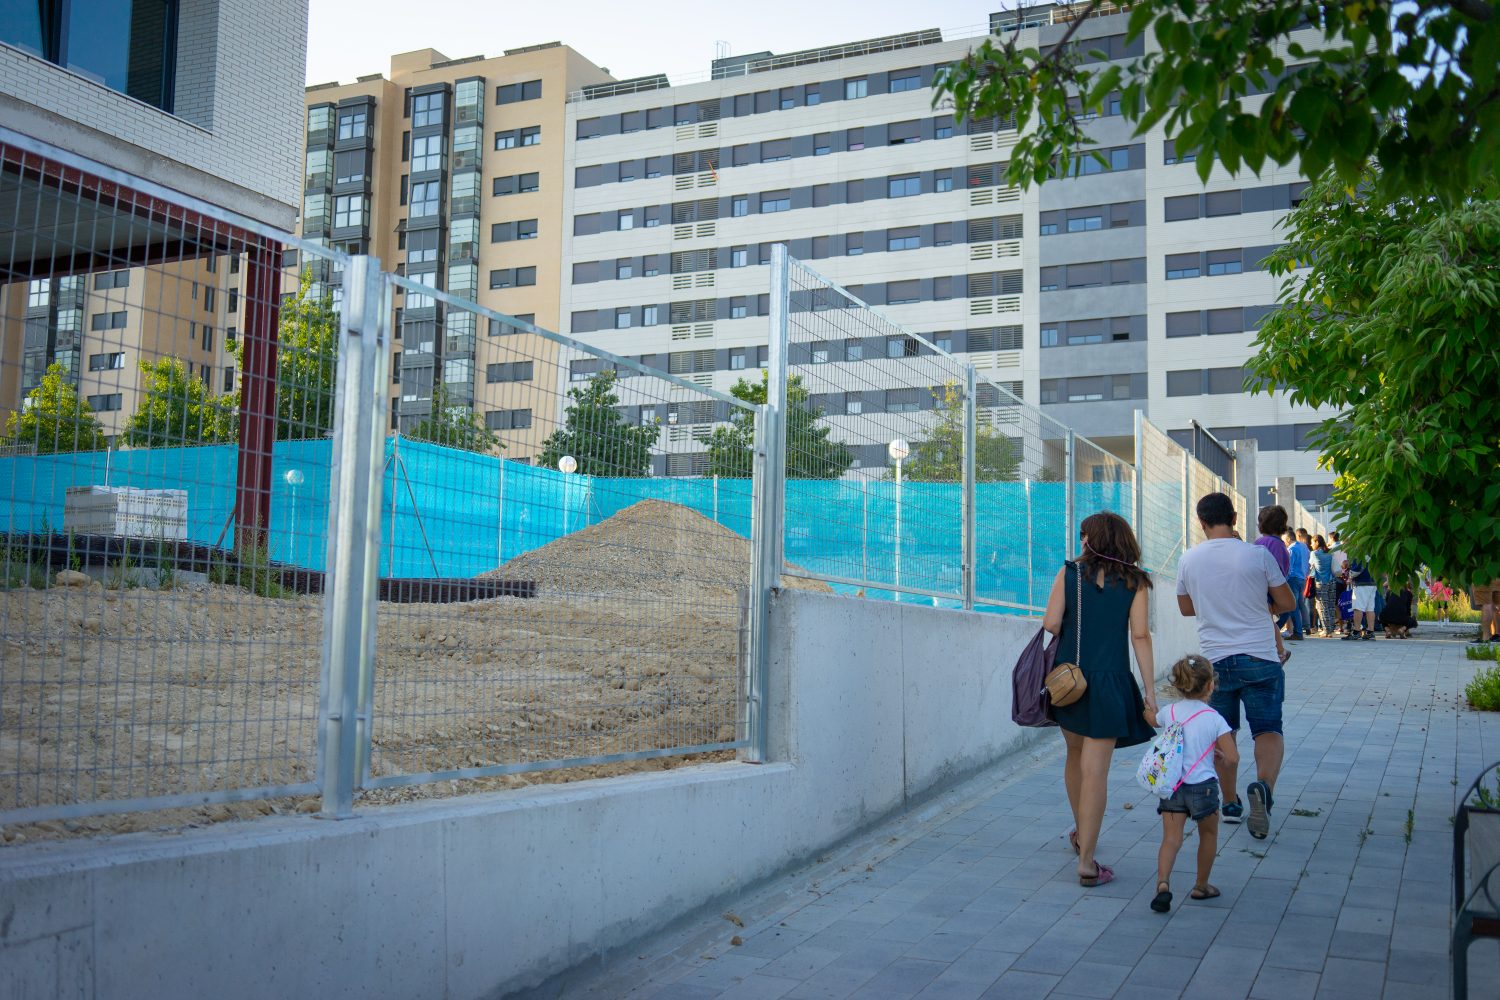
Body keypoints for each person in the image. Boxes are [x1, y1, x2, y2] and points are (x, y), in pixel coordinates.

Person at [1043, 511, 1157, 887]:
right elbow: (1140, 637)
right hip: (1111, 684)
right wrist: (1150, 693)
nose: (1080, 541)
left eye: (1083, 535)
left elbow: (1051, 624)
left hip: (1070, 682)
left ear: (1092, 539)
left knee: (1074, 756)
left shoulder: (1069, 574)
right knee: (1097, 772)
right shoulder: (1136, 582)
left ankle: (1080, 834)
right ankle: (1087, 860)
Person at [1175, 492, 1296, 840]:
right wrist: (1257, 605)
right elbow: (1286, 602)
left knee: (1222, 734)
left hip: (1216, 664)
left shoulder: (1189, 560)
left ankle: (1229, 803)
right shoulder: (1257, 554)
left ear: (1201, 522)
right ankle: (1264, 789)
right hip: (1260, 657)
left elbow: (1186, 608)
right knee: (1268, 729)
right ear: (1235, 517)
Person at [1150, 654, 1238, 913]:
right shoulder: (1214, 718)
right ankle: (1201, 885)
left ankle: (1163, 884)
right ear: (1211, 685)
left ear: (1178, 685)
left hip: (1173, 786)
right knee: (1208, 834)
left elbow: (1152, 720)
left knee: (1171, 839)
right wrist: (1220, 756)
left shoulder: (1171, 712)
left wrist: (1148, 708)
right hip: (1204, 787)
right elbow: (1232, 758)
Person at [1254, 506, 1292, 665]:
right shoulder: (1280, 545)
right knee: (1268, 620)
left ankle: (1280, 651)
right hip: (1274, 588)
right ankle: (1279, 650)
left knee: (1268, 621)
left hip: (1264, 589)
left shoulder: (1262, 542)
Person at [1282, 529, 1309, 642]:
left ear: (1288, 539)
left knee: (1293, 606)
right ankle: (1301, 629)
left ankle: (1297, 632)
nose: (1284, 543)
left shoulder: (1291, 549)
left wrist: (1284, 580)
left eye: (1284, 540)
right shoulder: (1304, 547)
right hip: (1302, 578)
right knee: (1298, 604)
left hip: (1293, 579)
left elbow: (1289, 568)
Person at [1345, 555, 1378, 640]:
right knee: (1370, 608)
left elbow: (1358, 567)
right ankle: (1371, 631)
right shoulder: (1373, 551)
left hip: (1362, 583)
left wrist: (1350, 575)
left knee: (1358, 608)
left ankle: (1356, 631)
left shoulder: (1361, 552)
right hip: (1372, 582)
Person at [1310, 535, 1337, 636]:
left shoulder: (1314, 553)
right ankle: (1330, 630)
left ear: (1317, 542)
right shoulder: (1330, 552)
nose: (1311, 544)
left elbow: (1310, 566)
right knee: (1330, 606)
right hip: (1332, 581)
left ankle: (1326, 630)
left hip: (1321, 582)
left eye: (1312, 542)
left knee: (1322, 606)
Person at [1470, 579, 1500, 643]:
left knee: (1486, 604)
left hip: (1483, 575)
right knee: (1496, 604)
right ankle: (1498, 635)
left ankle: (1486, 637)